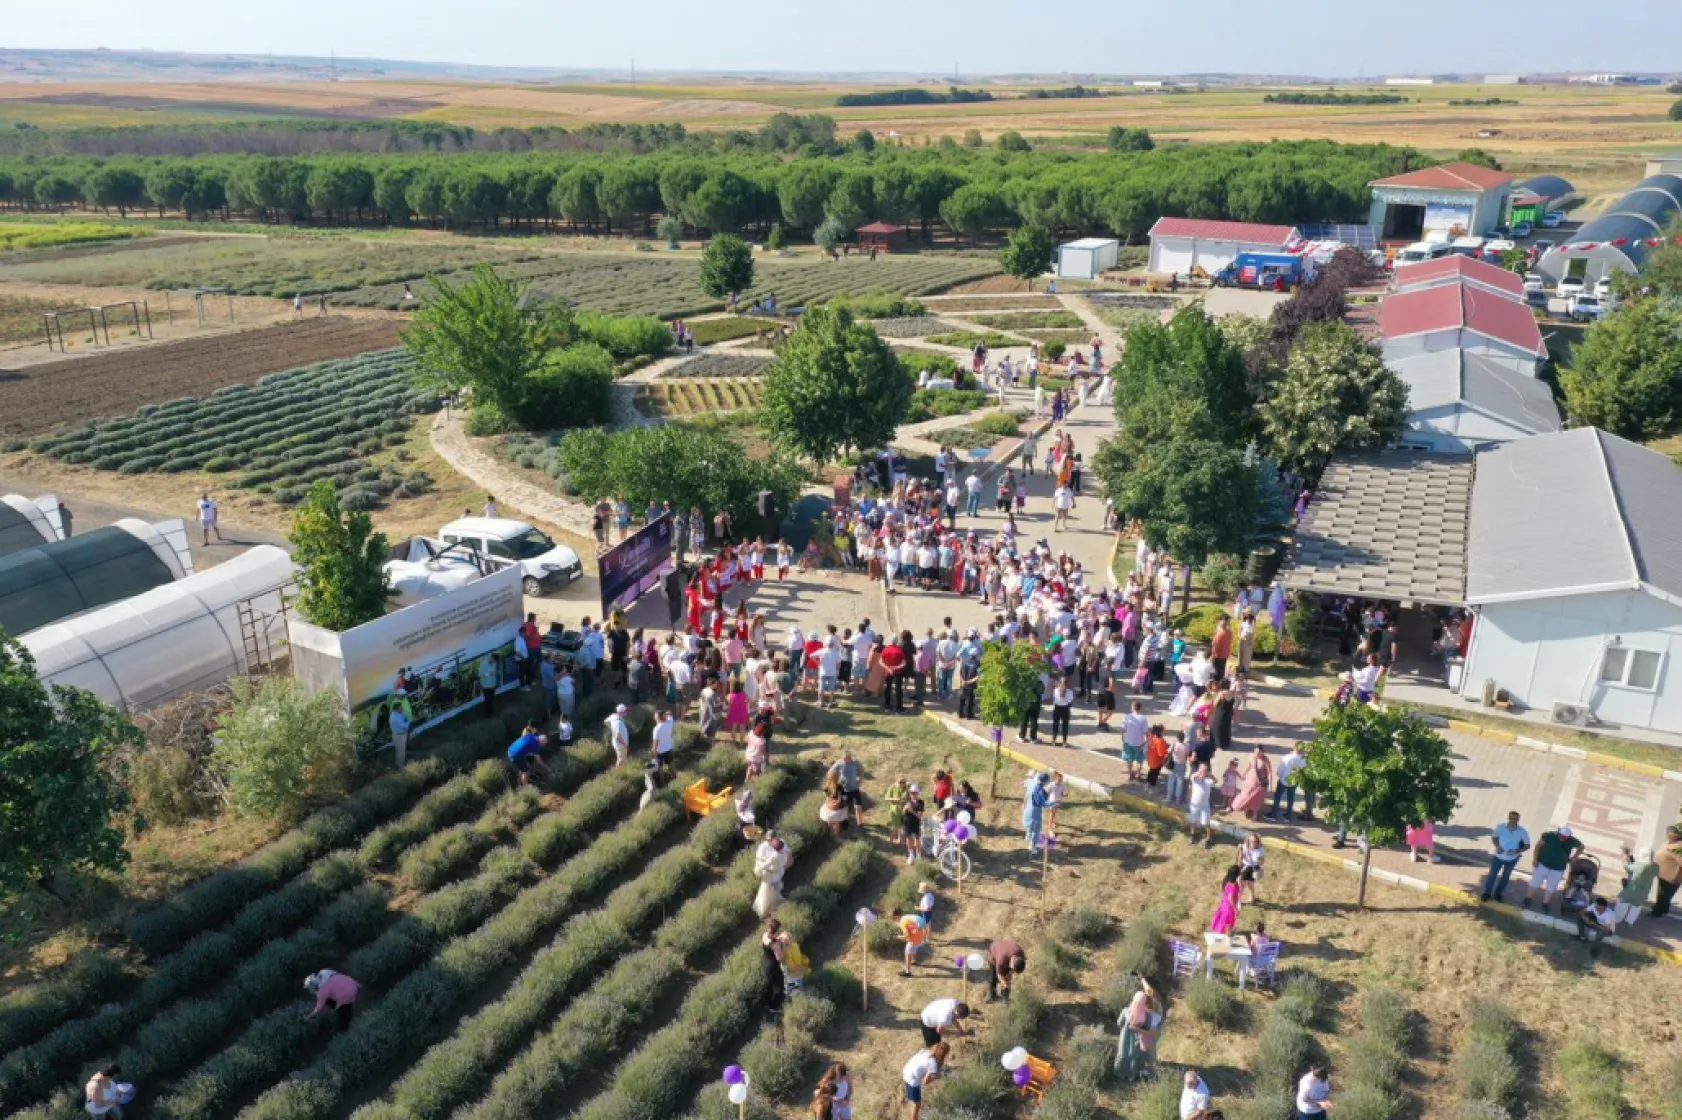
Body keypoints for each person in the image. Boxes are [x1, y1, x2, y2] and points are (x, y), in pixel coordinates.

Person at [1524, 824, 1583, 912]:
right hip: (1542, 865)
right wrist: (1535, 859)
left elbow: (1581, 847)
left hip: (1558, 869)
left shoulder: (1572, 840)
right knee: (1535, 883)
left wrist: (1575, 857)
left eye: (1565, 837)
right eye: (1562, 836)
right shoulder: (1549, 836)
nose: (1563, 838)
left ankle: (1545, 903)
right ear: (1558, 832)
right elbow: (1538, 846)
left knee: (1551, 887)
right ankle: (1528, 898)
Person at [1481, 811, 1531, 903]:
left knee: (1505, 878)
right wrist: (1497, 846)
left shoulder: (1522, 832)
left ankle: (1498, 894)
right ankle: (1487, 893)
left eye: (1515, 819)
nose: (1512, 820)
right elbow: (1494, 837)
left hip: (1512, 859)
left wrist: (1517, 851)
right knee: (1492, 875)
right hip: (1498, 857)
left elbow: (1527, 845)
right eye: (1511, 818)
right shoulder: (1501, 827)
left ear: (1518, 820)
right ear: (1508, 818)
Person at [902, 1042, 948, 1120]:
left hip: (906, 1071)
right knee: (916, 1104)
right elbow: (925, 1082)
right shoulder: (932, 1064)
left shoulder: (925, 1051)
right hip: (912, 1080)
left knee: (914, 1100)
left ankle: (914, 1111)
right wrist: (936, 1077)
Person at [1266, 743, 1312, 822]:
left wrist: (1279, 776)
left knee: (1278, 796)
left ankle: (1273, 815)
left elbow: (1280, 769)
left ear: (1294, 748)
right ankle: (1288, 815)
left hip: (1284, 780)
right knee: (1291, 798)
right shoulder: (1304, 760)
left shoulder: (1287, 757)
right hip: (1294, 781)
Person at [1614, 847, 1658, 929]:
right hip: (1643, 893)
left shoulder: (1639, 865)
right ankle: (1630, 921)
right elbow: (1656, 872)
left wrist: (1625, 859)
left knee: (1621, 902)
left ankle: (1617, 919)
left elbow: (1628, 867)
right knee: (1637, 906)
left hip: (1631, 891)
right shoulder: (1655, 867)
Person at [1229, 745, 1271, 821]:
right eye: (1255, 752)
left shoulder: (1265, 759)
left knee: (1257, 799)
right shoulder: (1252, 757)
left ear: (1262, 752)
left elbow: (1269, 772)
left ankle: (1254, 812)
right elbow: (1250, 767)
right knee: (1246, 796)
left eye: (1258, 752)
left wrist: (1270, 784)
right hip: (1251, 781)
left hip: (1261, 784)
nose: (1256, 753)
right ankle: (1245, 809)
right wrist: (1244, 774)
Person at [754, 833, 790, 918]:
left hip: (774, 874)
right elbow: (765, 863)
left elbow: (766, 864)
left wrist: (759, 869)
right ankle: (772, 905)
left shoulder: (776, 855)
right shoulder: (780, 852)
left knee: (771, 891)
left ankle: (770, 907)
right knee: (772, 890)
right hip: (774, 874)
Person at [828, 750, 865, 828]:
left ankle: (860, 824)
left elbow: (862, 770)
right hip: (844, 790)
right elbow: (830, 772)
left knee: (858, 806)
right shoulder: (839, 763)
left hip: (855, 789)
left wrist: (860, 779)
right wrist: (834, 781)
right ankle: (846, 822)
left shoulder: (855, 763)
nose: (844, 760)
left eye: (845, 758)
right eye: (843, 758)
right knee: (845, 807)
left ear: (850, 757)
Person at [1655, 825, 1682, 918]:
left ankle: (1657, 913)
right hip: (1663, 874)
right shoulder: (1669, 843)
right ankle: (1663, 909)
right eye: (1668, 834)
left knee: (1664, 896)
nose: (1669, 836)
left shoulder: (1678, 847)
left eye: (1671, 835)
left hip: (1671, 878)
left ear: (1676, 835)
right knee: (1661, 895)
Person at [1186, 763, 1216, 847]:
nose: (1204, 772)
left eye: (1206, 770)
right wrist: (1200, 771)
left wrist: (1210, 775)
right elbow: (1193, 777)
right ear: (1199, 770)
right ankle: (1193, 835)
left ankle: (1209, 838)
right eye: (1202, 770)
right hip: (1194, 805)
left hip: (1205, 806)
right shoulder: (1196, 779)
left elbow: (1215, 781)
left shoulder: (1208, 780)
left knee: (1206, 823)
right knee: (1193, 821)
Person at [1209, 865, 1243, 935]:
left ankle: (1223, 934)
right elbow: (1231, 898)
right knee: (1228, 924)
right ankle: (1227, 937)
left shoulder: (1226, 880)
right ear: (1236, 874)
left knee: (1223, 921)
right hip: (1229, 907)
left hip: (1224, 904)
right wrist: (1235, 909)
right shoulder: (1234, 885)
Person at [1022, 771, 1050, 852]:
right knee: (1036, 830)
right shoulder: (1041, 790)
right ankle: (1032, 847)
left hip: (1028, 809)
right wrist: (1054, 803)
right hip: (1035, 812)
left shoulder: (1031, 785)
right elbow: (1044, 803)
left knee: (1029, 826)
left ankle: (1028, 837)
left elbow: (1026, 794)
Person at [897, 907, 929, 976]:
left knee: (907, 952)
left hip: (916, 935)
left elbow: (907, 936)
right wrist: (924, 938)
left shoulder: (902, 922)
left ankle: (907, 972)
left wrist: (899, 937)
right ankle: (914, 961)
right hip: (920, 934)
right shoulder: (906, 917)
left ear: (896, 917)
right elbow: (922, 926)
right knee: (914, 946)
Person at [1237, 833, 1266, 903]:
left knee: (1249, 884)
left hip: (1253, 867)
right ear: (1248, 841)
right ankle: (1238, 899)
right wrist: (1241, 852)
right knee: (1241, 882)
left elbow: (1262, 862)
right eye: (1251, 841)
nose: (1253, 843)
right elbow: (1240, 859)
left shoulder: (1260, 850)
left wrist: (1259, 860)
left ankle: (1252, 896)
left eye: (1255, 841)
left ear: (1258, 842)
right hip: (1245, 865)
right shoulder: (1245, 846)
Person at [605, 704, 632, 768]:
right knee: (621, 761)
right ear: (621, 713)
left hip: (619, 744)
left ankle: (622, 773)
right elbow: (618, 737)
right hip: (621, 745)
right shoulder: (618, 723)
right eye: (625, 711)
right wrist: (625, 745)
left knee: (622, 760)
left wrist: (611, 728)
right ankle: (617, 774)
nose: (627, 713)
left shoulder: (613, 716)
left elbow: (605, 721)